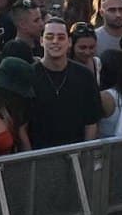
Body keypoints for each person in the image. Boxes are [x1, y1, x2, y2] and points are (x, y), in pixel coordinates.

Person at [27, 17, 102, 147]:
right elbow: (22, 126)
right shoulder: (29, 75)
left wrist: (86, 153)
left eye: (61, 37)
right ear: (41, 41)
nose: (55, 41)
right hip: (38, 156)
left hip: (76, 155)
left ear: (69, 42)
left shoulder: (85, 76)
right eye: (50, 37)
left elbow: (91, 122)